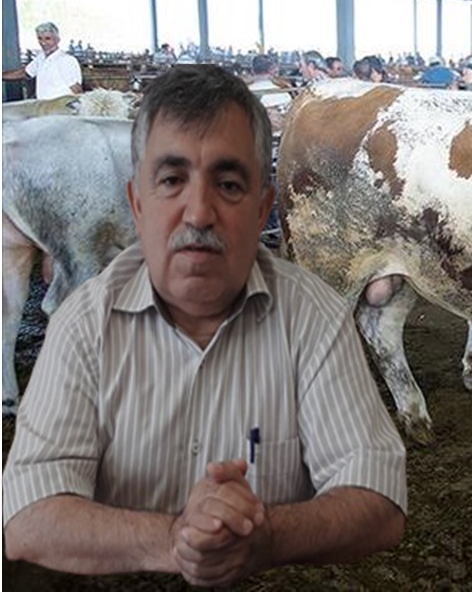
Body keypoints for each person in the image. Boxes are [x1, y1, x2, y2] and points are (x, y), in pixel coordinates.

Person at [2, 65, 407, 587]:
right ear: (137, 204)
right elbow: (25, 517)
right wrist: (177, 540)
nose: (198, 212)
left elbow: (380, 500)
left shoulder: (315, 316)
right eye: (172, 180)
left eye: (228, 183)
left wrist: (268, 536)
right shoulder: (83, 325)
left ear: (264, 209)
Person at [2, 22, 83, 99]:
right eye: (40, 38)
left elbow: (76, 88)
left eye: (48, 39)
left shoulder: (66, 60)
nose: (43, 43)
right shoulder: (41, 58)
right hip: (44, 106)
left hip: (61, 108)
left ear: (57, 40)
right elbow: (25, 73)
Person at [247, 54, 292, 132]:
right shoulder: (284, 96)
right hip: (277, 141)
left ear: (252, 71)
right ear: (271, 71)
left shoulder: (240, 95)